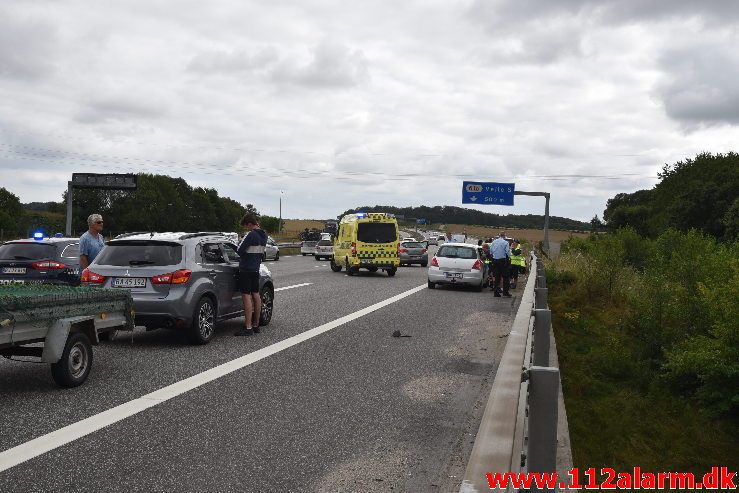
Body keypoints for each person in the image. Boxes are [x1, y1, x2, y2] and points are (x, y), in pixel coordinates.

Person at [234, 213, 268, 336]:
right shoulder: (264, 235)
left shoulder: (251, 234)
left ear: (249, 224)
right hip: (255, 268)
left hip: (246, 269)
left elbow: (239, 250)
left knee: (246, 296)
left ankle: (247, 327)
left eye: (246, 226)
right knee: (256, 295)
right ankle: (256, 324)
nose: (246, 229)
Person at [490, 232, 512, 297]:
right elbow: (507, 252)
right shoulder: (506, 243)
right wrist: (509, 257)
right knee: (506, 277)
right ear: (504, 236)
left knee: (497, 277)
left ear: (499, 236)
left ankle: (496, 292)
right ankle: (505, 292)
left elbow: (491, 250)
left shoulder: (494, 242)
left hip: (495, 261)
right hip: (502, 261)